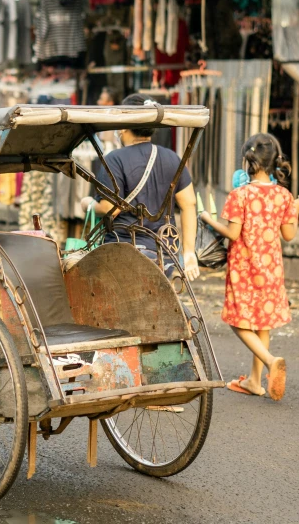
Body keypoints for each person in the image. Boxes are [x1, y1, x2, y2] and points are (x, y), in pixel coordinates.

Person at [201, 133, 298, 400]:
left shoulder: (239, 194)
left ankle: (269, 361)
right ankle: (255, 382)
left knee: (237, 319)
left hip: (244, 267)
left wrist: (208, 219)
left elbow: (232, 234)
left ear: (248, 160)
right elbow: (289, 235)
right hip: (271, 267)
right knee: (262, 322)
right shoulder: (284, 195)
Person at [82, 93, 200, 281]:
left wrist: (88, 204)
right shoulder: (172, 158)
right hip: (164, 256)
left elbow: (109, 209)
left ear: (123, 127)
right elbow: (189, 204)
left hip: (124, 254)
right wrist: (189, 252)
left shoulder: (115, 159)